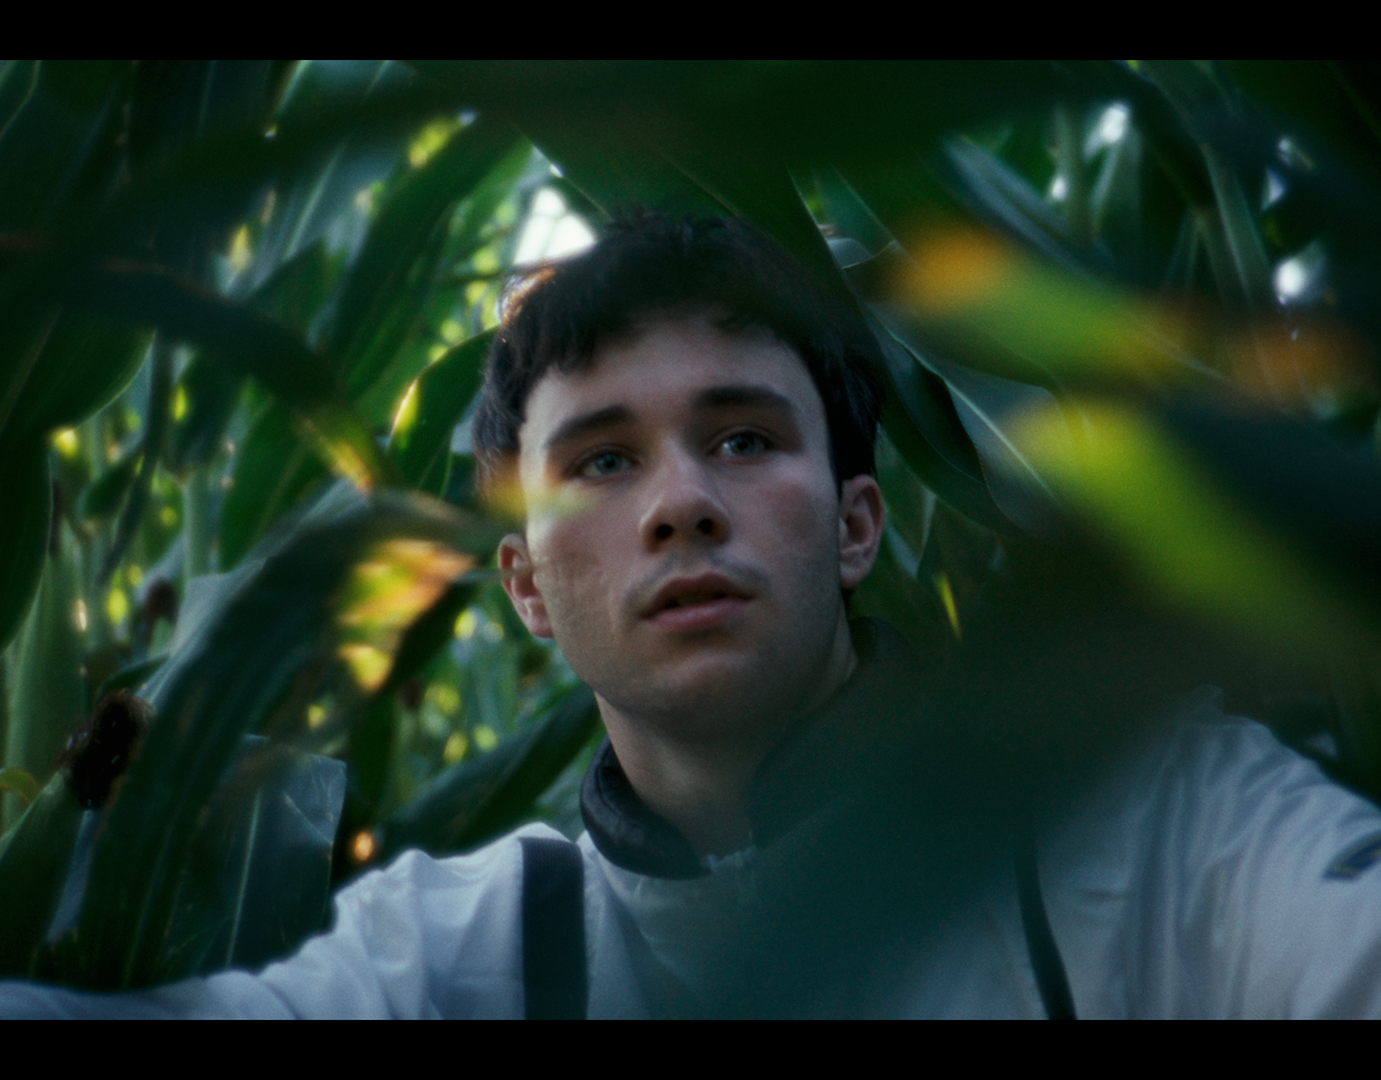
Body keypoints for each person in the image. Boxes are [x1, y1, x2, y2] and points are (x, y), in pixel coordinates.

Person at [7, 212, 1381, 1018]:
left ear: (856, 524)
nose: (681, 504)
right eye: (603, 462)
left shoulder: (1158, 825)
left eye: (742, 440)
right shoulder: (470, 952)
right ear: (526, 589)